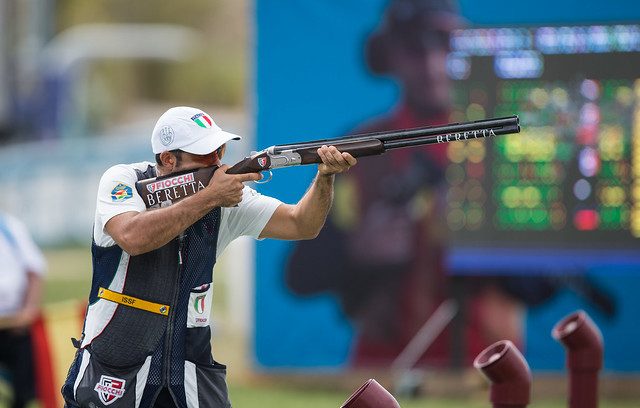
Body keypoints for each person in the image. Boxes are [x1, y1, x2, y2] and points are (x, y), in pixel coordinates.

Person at [61, 106, 356, 408]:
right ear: (167, 159)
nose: (217, 161)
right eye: (205, 153)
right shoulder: (124, 180)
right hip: (117, 363)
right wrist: (210, 197)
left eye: (220, 149)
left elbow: (301, 224)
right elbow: (133, 237)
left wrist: (325, 177)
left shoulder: (227, 198)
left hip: (191, 370)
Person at [286, 0, 508, 367]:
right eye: (415, 49)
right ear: (390, 58)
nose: (432, 66)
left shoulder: (503, 150)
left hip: (489, 370)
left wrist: (487, 236)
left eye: (445, 48)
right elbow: (300, 273)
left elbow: (542, 286)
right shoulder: (357, 148)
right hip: (382, 371)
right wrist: (357, 250)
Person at [0, 212, 46, 408]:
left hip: (15, 324)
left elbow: (34, 269)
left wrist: (28, 311)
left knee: (23, 392)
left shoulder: (9, 227)